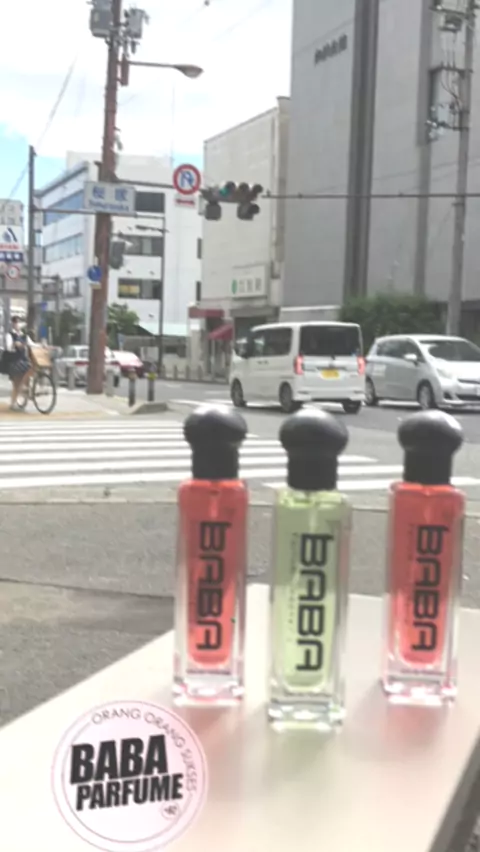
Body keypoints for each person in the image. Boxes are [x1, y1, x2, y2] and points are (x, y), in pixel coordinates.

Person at [5, 317, 35, 411]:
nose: (17, 324)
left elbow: (32, 344)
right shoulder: (10, 335)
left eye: (19, 322)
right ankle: (13, 403)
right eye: (16, 322)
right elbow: (8, 347)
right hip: (14, 361)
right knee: (16, 384)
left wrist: (43, 345)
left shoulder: (24, 336)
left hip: (23, 360)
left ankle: (24, 390)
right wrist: (15, 344)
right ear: (13, 324)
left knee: (30, 369)